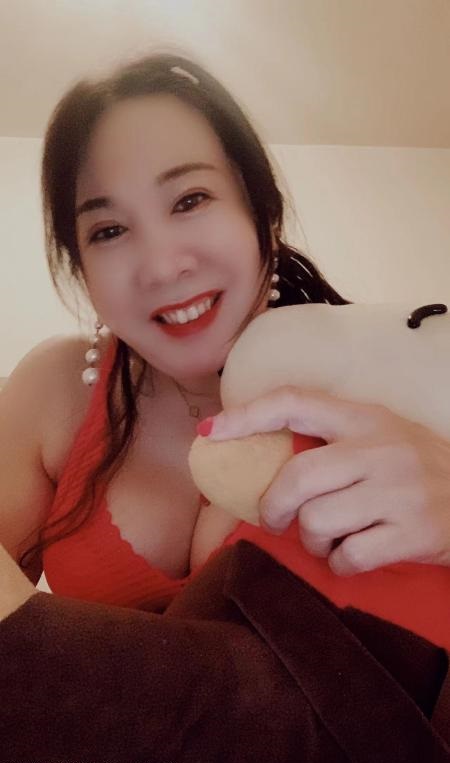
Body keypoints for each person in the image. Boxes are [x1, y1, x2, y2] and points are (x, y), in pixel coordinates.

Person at [1, 53, 450, 631]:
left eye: (190, 200)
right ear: (80, 267)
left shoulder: (382, 379)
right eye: (108, 230)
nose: (162, 266)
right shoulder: (56, 388)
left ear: (263, 210)